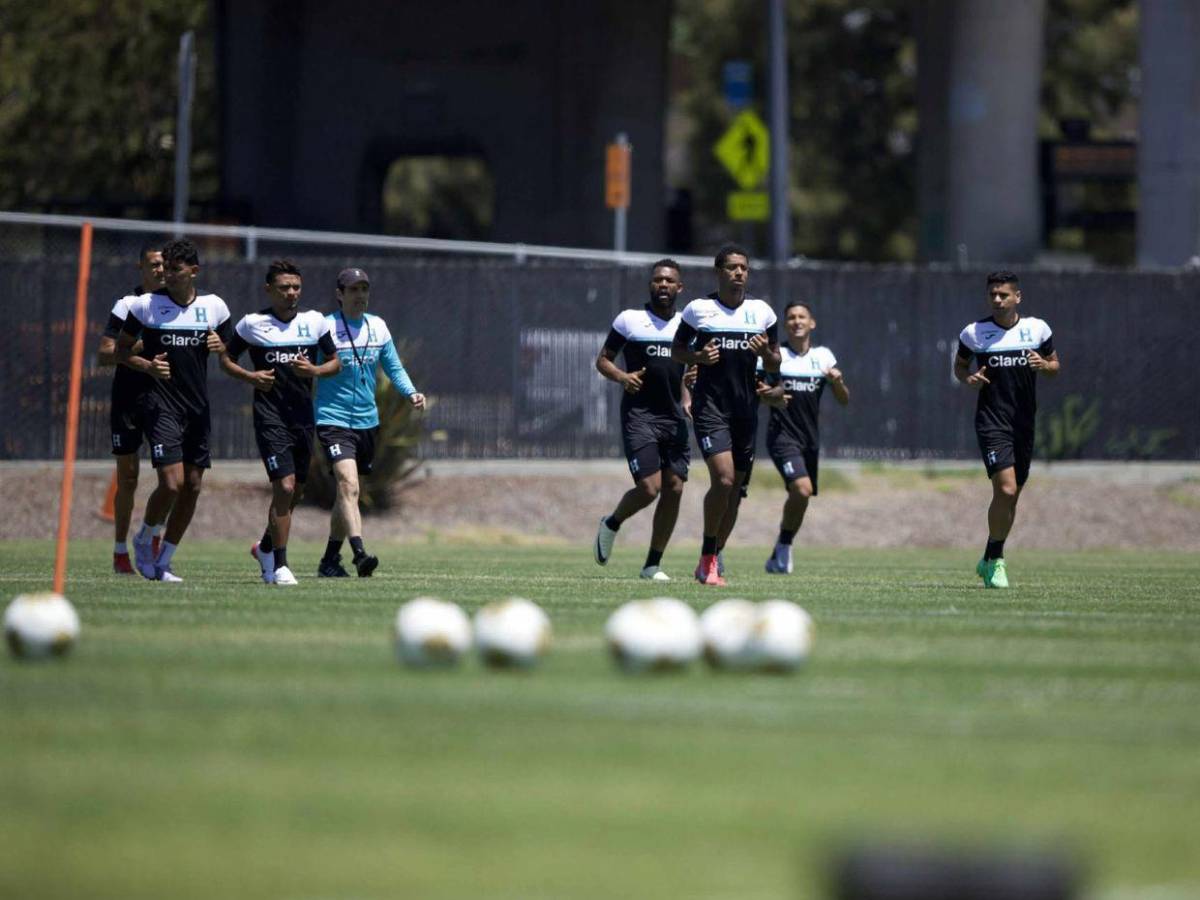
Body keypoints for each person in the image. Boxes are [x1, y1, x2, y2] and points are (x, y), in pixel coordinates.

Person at [219, 260, 341, 586]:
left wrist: (314, 371)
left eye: (296, 287)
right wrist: (250, 376)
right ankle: (280, 566)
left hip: (302, 417)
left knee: (296, 493)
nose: (291, 293)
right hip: (270, 417)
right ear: (269, 289)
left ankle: (265, 547)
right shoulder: (252, 324)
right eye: (284, 287)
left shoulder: (314, 322)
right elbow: (226, 359)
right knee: (284, 487)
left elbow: (335, 363)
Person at [116, 238, 231, 582]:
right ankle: (145, 536)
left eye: (175, 269)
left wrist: (221, 346)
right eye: (164, 268)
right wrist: (148, 366)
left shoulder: (214, 307)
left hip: (198, 408)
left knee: (193, 485)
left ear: (193, 271)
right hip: (160, 405)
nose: (167, 274)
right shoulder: (145, 306)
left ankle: (164, 559)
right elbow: (120, 352)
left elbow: (229, 353)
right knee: (171, 483)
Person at [671, 245, 780, 586]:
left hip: (746, 411)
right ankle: (706, 558)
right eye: (732, 267)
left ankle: (713, 557)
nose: (738, 273)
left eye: (743, 268)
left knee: (735, 493)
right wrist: (698, 358)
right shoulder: (698, 310)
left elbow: (776, 362)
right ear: (718, 272)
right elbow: (677, 351)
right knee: (724, 480)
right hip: (710, 409)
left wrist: (768, 354)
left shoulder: (763, 313)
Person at [313, 268, 426, 577]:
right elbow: (305, 363)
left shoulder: (377, 327)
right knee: (349, 485)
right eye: (353, 290)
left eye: (364, 289)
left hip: (367, 423)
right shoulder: (325, 326)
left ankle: (329, 561)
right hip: (332, 419)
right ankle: (360, 553)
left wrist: (411, 392)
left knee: (346, 494)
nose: (360, 295)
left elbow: (394, 367)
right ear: (339, 294)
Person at [954, 271, 1059, 588]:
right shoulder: (975, 333)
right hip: (991, 422)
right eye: (992, 295)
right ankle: (998, 562)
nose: (997, 300)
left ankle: (988, 557)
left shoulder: (1037, 329)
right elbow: (960, 367)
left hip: (1023, 424)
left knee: (1012, 498)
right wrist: (968, 378)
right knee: (1006, 489)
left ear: (1018, 297)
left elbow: (1055, 365)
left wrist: (1045, 365)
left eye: (1003, 294)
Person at [593, 259, 692, 581]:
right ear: (651, 285)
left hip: (673, 417)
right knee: (650, 489)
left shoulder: (687, 326)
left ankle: (652, 565)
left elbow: (685, 371)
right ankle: (611, 523)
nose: (663, 285)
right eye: (658, 280)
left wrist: (688, 398)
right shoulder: (630, 320)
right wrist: (622, 377)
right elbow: (603, 360)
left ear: (679, 288)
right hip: (640, 416)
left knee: (674, 488)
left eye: (669, 281)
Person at [756, 301, 849, 574]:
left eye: (802, 317)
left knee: (802, 496)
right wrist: (769, 396)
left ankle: (780, 549)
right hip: (782, 436)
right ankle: (784, 548)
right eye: (791, 318)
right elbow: (757, 390)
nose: (797, 321)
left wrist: (837, 382)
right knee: (802, 489)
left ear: (812, 323)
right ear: (785, 325)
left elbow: (844, 400)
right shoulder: (776, 355)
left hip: (810, 439)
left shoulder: (823, 356)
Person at [96, 242, 165, 574]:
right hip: (129, 398)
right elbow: (104, 353)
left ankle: (151, 535)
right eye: (153, 264)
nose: (160, 270)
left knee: (173, 479)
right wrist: (138, 346)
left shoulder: (179, 305)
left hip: (167, 400)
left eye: (165, 264)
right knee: (129, 476)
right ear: (141, 267)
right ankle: (120, 550)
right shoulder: (128, 305)